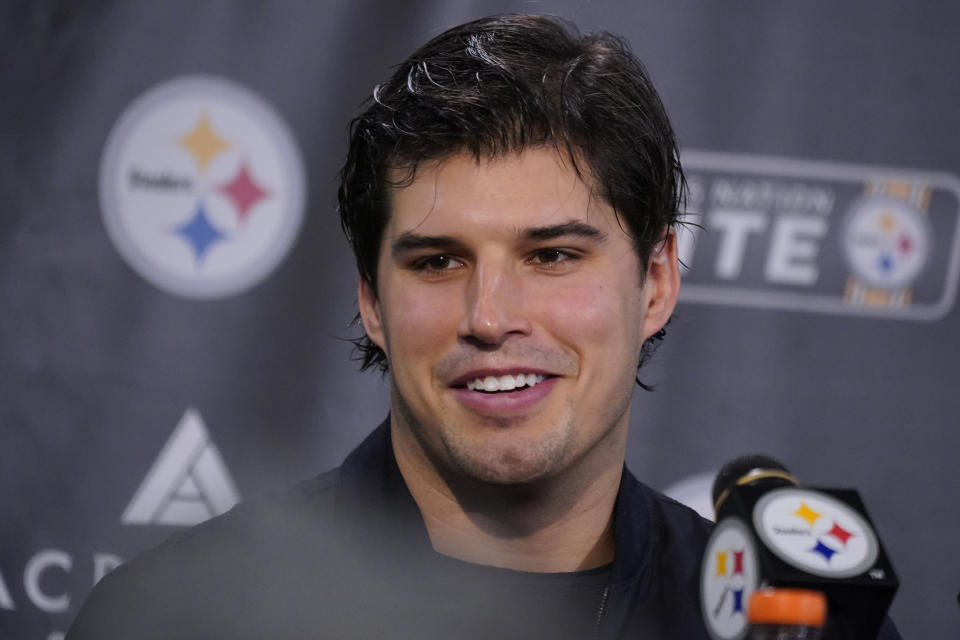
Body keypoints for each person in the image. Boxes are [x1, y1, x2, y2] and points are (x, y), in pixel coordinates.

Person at [68, 14, 900, 639]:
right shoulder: (178, 616)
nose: (490, 316)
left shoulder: (786, 622)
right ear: (371, 302)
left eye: (551, 256)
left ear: (654, 283)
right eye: (437, 262)